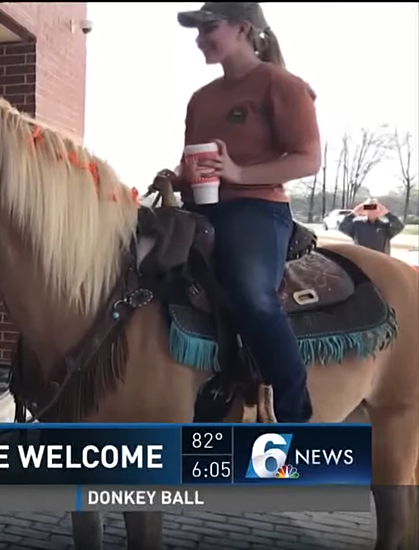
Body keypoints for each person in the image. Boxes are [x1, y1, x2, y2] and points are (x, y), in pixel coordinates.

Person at [162, 2, 322, 422]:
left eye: (207, 28)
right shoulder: (200, 99)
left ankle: (293, 415)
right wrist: (175, 178)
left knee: (252, 294)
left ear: (243, 29)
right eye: (196, 31)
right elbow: (193, 164)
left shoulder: (281, 85)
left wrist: (239, 172)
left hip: (257, 209)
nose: (199, 39)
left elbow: (307, 159)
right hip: (200, 208)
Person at [338, 198, 405, 254]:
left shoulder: (384, 227)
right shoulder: (357, 225)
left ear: (379, 211)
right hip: (361, 260)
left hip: (380, 261)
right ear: (365, 210)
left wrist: (388, 214)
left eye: (374, 208)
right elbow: (342, 227)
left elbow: (399, 226)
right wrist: (353, 214)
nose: (372, 211)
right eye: (369, 208)